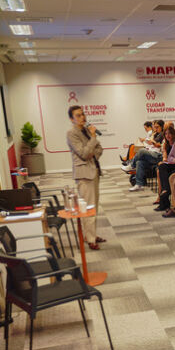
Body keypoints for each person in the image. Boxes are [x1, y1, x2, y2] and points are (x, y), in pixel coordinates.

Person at [66, 105, 105, 250]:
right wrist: (93, 139)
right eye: (78, 115)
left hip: (94, 171)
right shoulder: (72, 133)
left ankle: (92, 235)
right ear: (71, 119)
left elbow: (99, 149)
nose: (82, 117)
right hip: (84, 175)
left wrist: (91, 151)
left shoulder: (87, 131)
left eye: (83, 114)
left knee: (94, 206)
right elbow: (83, 153)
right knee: (88, 207)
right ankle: (90, 239)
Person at [127, 120, 164, 191]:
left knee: (141, 151)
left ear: (162, 127)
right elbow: (151, 142)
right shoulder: (156, 134)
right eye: (154, 127)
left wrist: (153, 141)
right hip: (153, 154)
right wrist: (153, 136)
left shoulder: (162, 134)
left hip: (159, 157)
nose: (155, 129)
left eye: (157, 127)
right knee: (139, 162)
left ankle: (131, 165)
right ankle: (139, 184)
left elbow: (155, 143)